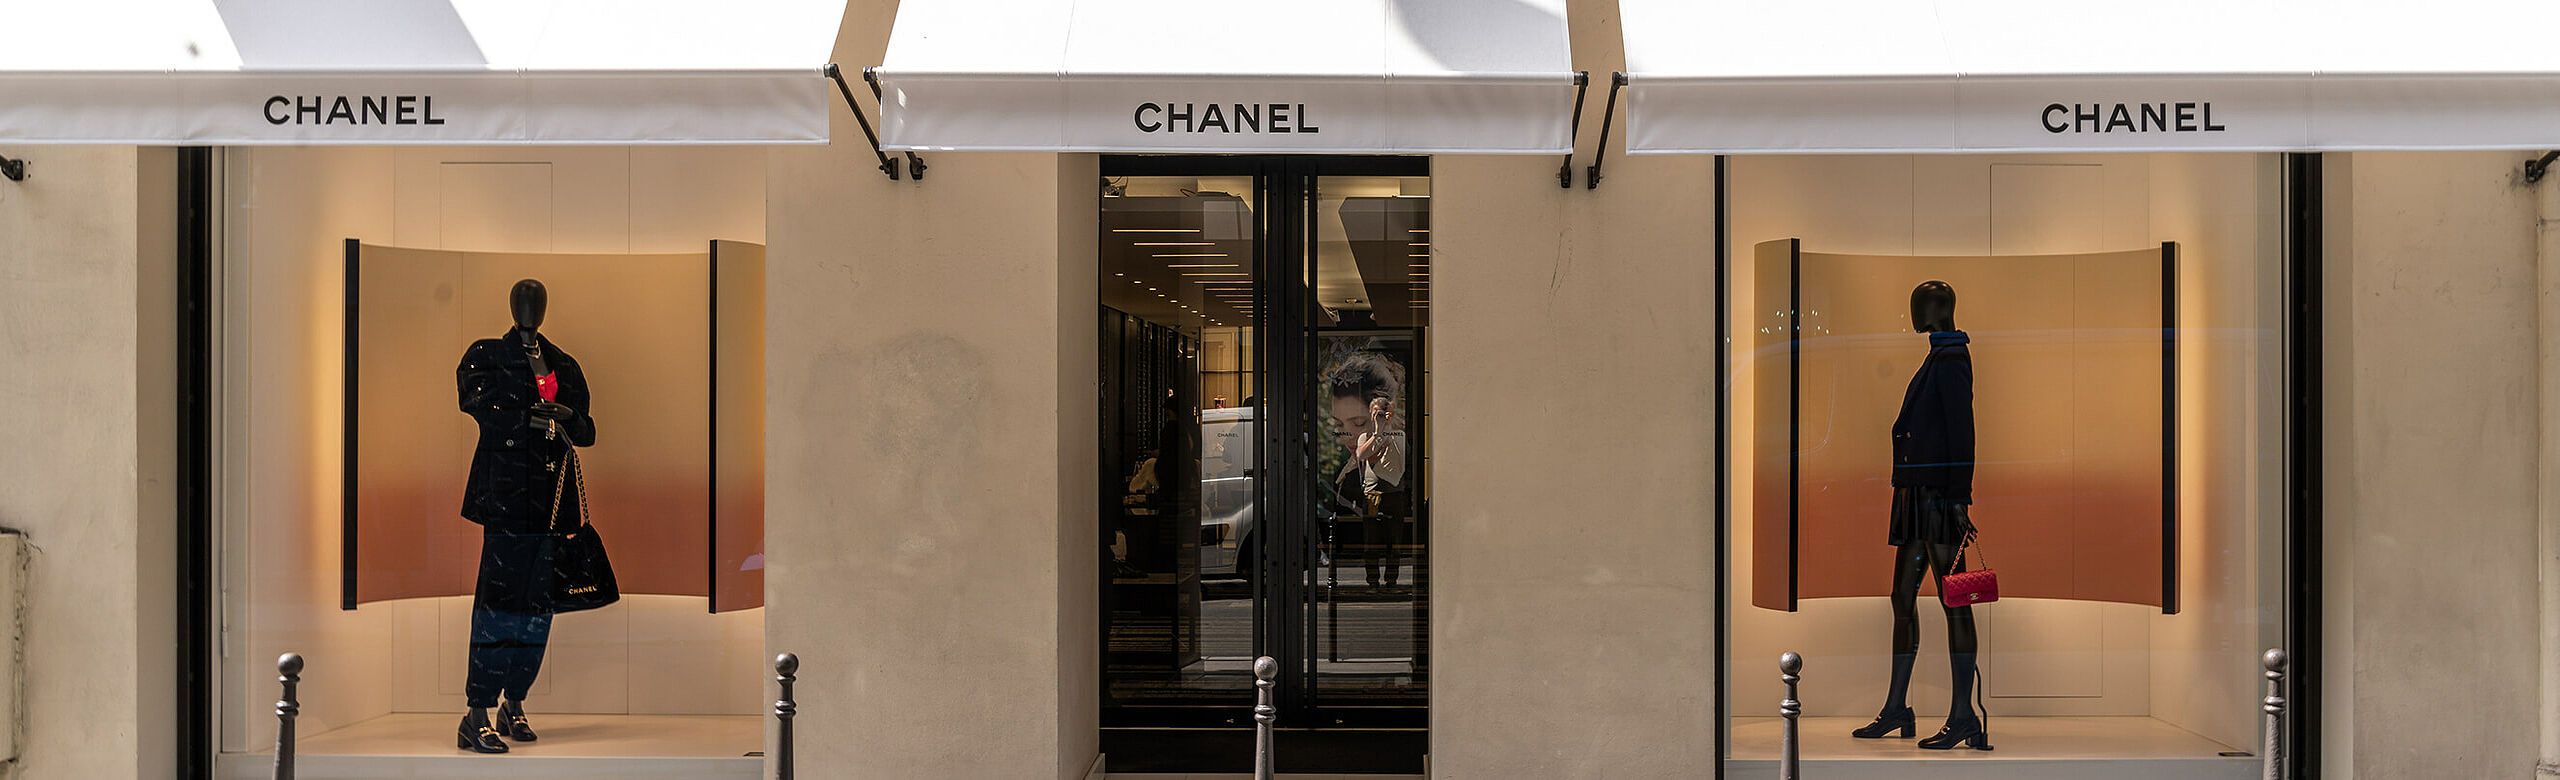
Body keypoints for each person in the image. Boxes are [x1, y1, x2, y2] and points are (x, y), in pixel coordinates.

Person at [453, 279, 593, 754]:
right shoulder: (487, 355)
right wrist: (530, 415)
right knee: (497, 605)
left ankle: (514, 701)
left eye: (537, 301)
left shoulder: (563, 363)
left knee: (538, 609)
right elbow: (477, 405)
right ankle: (476, 711)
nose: (529, 308)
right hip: (507, 497)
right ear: (512, 305)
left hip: (552, 501)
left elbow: (587, 430)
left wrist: (567, 415)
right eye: (523, 300)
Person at [1851, 280, 1991, 751]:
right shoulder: (1938, 355)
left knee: (1955, 600)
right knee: (1902, 597)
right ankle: (1896, 707)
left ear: (1937, 308)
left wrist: (1959, 497)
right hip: (1916, 493)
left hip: (1937, 496)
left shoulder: (1951, 358)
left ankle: (1963, 715)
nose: (1913, 312)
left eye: (1919, 304)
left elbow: (1963, 433)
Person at [1324, 352, 1410, 588]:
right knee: (1371, 541)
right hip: (1371, 494)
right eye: (1339, 424)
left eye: (1359, 421)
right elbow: (1363, 454)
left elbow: (1399, 465)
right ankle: (1372, 581)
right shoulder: (1365, 438)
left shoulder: (1399, 436)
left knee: (1394, 542)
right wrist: (1376, 431)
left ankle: (1391, 581)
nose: (1347, 435)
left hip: (1394, 494)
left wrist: (1385, 428)